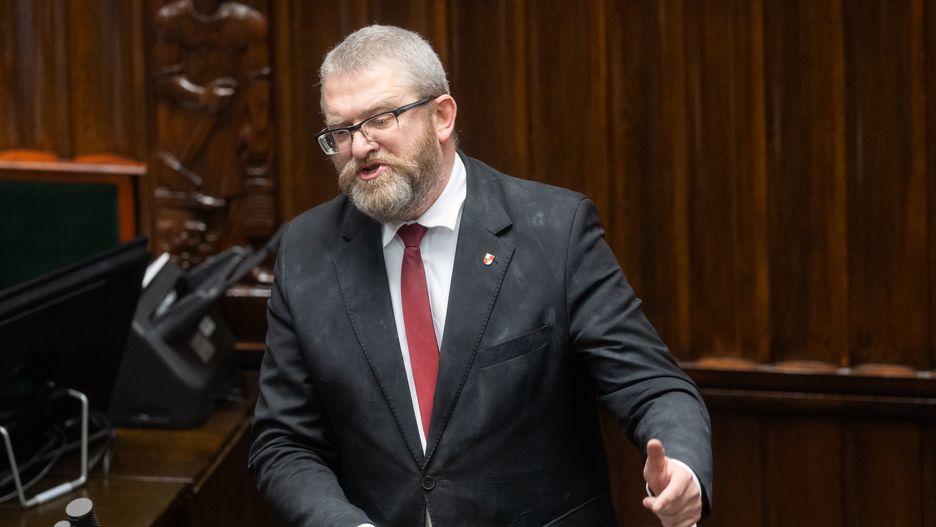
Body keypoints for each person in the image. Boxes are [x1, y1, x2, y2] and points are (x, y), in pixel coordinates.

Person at [249, 24, 712, 527]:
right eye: (341, 130)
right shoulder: (307, 251)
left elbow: (652, 385)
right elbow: (283, 441)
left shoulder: (554, 232)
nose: (359, 146)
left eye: (380, 119)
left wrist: (684, 469)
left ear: (442, 116)